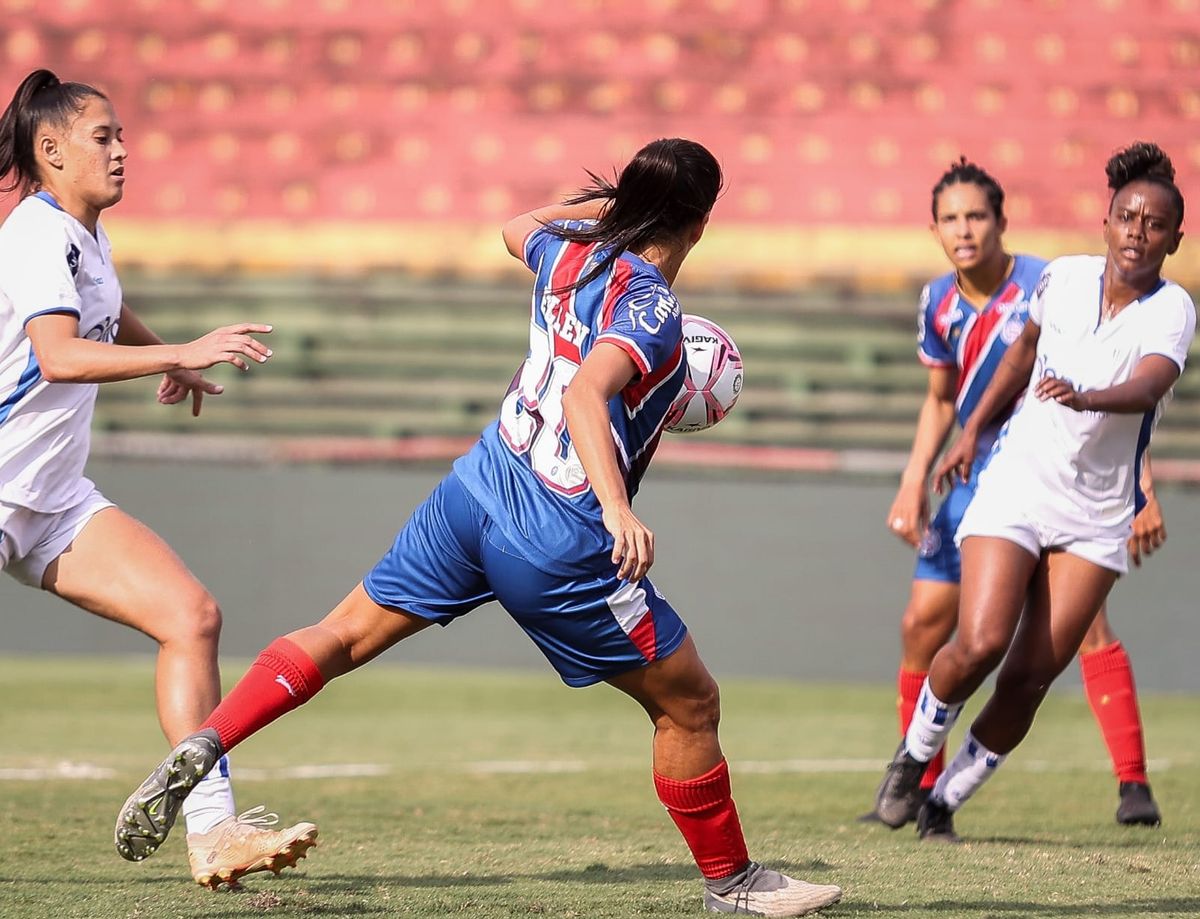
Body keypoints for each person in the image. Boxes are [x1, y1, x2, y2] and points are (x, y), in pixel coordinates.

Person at [113, 138, 843, 917]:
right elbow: (586, 396)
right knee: (689, 702)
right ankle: (733, 882)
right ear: (700, 225)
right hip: (556, 537)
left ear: (632, 202)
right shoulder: (655, 311)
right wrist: (618, 506)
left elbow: (513, 223)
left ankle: (210, 739)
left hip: (476, 488)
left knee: (345, 630)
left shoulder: (568, 254)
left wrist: (611, 209)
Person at [0, 70, 317, 888]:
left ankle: (214, 834)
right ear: (50, 150)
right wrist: (179, 353)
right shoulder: (36, 234)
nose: (121, 150)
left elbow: (103, 310)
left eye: (120, 135)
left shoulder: (84, 235)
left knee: (190, 615)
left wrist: (163, 352)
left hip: (52, 498)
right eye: (102, 137)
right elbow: (59, 356)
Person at [872, 142, 1194, 843]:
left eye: (1155, 222)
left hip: (1096, 512)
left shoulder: (1173, 309)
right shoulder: (1066, 279)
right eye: (1127, 216)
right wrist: (971, 428)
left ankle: (945, 800)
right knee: (980, 640)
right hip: (1016, 482)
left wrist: (1086, 396)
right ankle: (913, 757)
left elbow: (1148, 385)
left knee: (1029, 677)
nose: (1138, 230)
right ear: (1106, 222)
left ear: (1175, 237)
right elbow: (1021, 352)